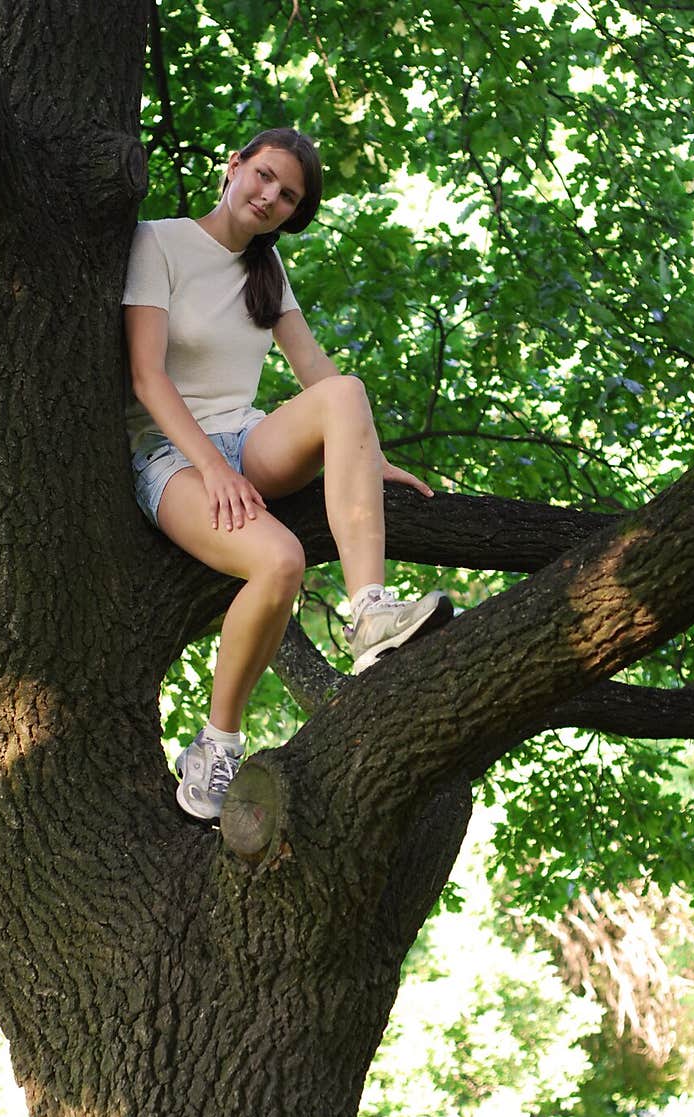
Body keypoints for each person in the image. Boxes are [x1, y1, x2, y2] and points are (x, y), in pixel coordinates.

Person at [123, 127, 453, 824]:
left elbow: (319, 376)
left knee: (346, 392)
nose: (270, 196)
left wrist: (364, 451)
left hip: (248, 440)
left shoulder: (268, 273)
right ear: (235, 166)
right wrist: (212, 469)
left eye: (288, 195)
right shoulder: (159, 241)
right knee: (280, 562)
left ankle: (370, 611)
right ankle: (217, 743)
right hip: (172, 457)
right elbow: (147, 377)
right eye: (264, 176)